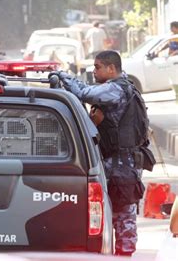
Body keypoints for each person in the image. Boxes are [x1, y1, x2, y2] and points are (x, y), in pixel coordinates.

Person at [49, 50, 149, 256]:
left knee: (122, 211)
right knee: (108, 210)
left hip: (122, 164)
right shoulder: (121, 88)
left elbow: (85, 93)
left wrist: (63, 76)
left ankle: (124, 254)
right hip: (116, 161)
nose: (94, 71)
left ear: (111, 69)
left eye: (97, 67)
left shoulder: (117, 89)